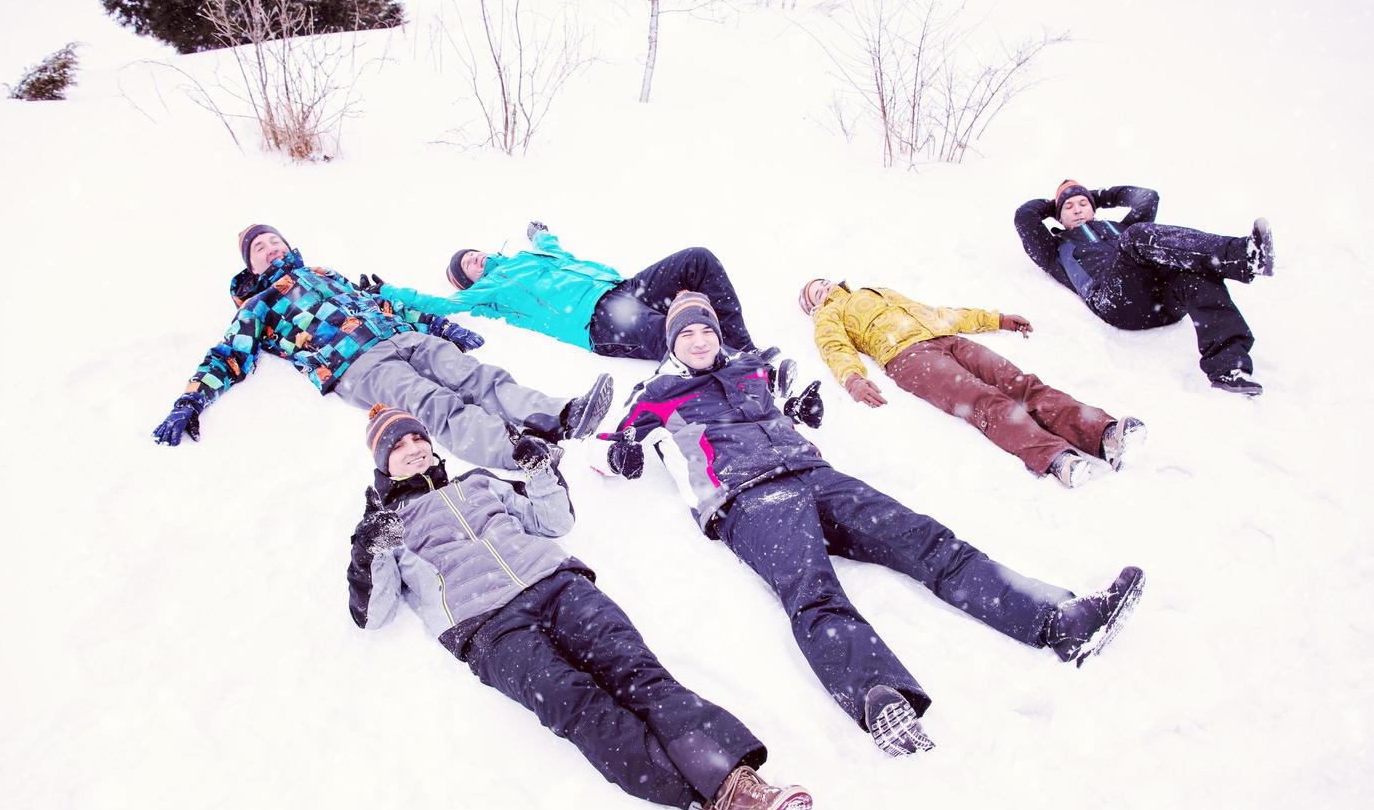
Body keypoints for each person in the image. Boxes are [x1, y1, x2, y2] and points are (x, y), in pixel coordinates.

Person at [592, 291, 1146, 755]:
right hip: (747, 500)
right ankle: (878, 694)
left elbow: (793, 389)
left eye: (705, 331)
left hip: (815, 475)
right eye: (686, 334)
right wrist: (623, 456)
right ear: (672, 343)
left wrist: (806, 402)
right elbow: (609, 447)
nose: (699, 340)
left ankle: (1059, 619)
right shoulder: (657, 395)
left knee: (927, 540)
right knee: (811, 589)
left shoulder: (750, 369)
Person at [347, 404, 813, 810]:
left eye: (417, 438)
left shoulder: (479, 483)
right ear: (382, 461)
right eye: (397, 444)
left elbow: (555, 520)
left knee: (639, 674)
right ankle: (720, 797)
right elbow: (374, 613)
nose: (413, 448)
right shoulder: (388, 526)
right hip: (489, 625)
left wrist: (539, 471)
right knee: (577, 705)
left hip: (558, 585)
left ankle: (739, 788)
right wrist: (370, 551)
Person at [151, 224, 613, 472]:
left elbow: (377, 301)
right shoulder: (260, 304)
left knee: (479, 377)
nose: (270, 248)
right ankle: (517, 453)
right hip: (354, 363)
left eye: (275, 240)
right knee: (432, 402)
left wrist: (438, 325)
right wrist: (190, 401)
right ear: (251, 266)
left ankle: (561, 415)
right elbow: (228, 355)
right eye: (259, 249)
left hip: (399, 335)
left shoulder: (327, 275)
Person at [798, 278, 1145, 488]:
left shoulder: (875, 290)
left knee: (1022, 384)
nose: (824, 288)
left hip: (945, 338)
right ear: (812, 307)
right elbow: (834, 347)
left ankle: (1105, 435)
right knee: (983, 400)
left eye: (823, 282)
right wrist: (852, 378)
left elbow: (936, 313)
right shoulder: (829, 315)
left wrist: (996, 319)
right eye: (816, 292)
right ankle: (1056, 459)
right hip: (908, 359)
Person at [365, 221, 769, 362]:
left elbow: (555, 251)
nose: (473, 259)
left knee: (697, 258)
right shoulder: (487, 293)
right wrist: (391, 292)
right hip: (596, 322)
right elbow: (440, 305)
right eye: (465, 265)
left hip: (621, 288)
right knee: (675, 332)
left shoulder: (527, 258)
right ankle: (742, 371)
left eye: (472, 253)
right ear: (468, 280)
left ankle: (744, 349)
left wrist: (540, 233)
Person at [1014, 181, 1275, 396]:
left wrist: (1097, 196)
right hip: (1115, 301)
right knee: (1138, 234)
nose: (1078, 209)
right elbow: (1025, 216)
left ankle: (1229, 368)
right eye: (1069, 207)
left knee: (1193, 273)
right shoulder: (1054, 250)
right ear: (1059, 216)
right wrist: (1053, 203)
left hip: (1162, 301)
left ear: (1094, 209)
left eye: (1083, 203)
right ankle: (1243, 256)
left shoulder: (1120, 228)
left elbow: (1147, 197)